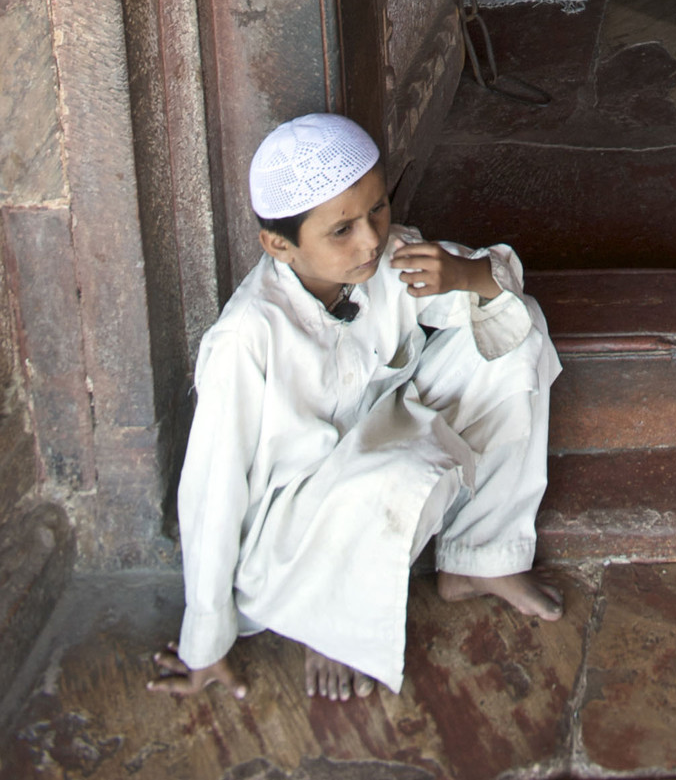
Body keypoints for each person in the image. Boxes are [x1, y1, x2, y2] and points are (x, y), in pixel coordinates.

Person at [147, 112, 562, 704]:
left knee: (516, 336)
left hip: (375, 457)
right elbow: (213, 490)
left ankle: (479, 554)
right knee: (403, 464)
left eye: (377, 210)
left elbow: (496, 308)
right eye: (341, 230)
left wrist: (468, 275)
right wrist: (205, 641)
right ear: (278, 245)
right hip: (290, 548)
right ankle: (323, 621)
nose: (370, 239)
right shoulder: (246, 340)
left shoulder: (385, 257)